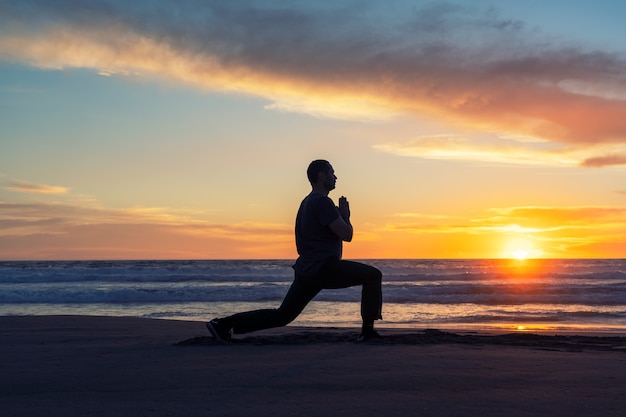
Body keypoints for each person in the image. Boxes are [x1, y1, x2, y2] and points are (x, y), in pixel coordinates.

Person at [206, 159, 383, 342]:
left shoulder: (306, 202)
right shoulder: (323, 202)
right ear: (321, 176)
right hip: (324, 267)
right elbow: (347, 234)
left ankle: (223, 324)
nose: (335, 177)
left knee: (283, 315)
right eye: (332, 172)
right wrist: (346, 216)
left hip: (306, 270)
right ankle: (367, 332)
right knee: (373, 275)